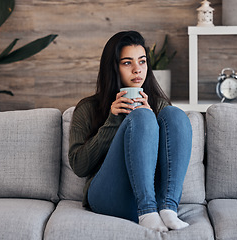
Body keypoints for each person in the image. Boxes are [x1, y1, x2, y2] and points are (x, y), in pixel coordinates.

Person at [69, 31, 192, 232]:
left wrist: (152, 123)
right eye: (127, 63)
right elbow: (79, 166)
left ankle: (169, 208)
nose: (137, 70)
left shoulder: (158, 105)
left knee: (175, 115)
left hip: (153, 195)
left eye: (142, 62)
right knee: (142, 117)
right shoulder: (87, 107)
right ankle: (147, 211)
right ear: (113, 68)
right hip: (108, 195)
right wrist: (113, 120)